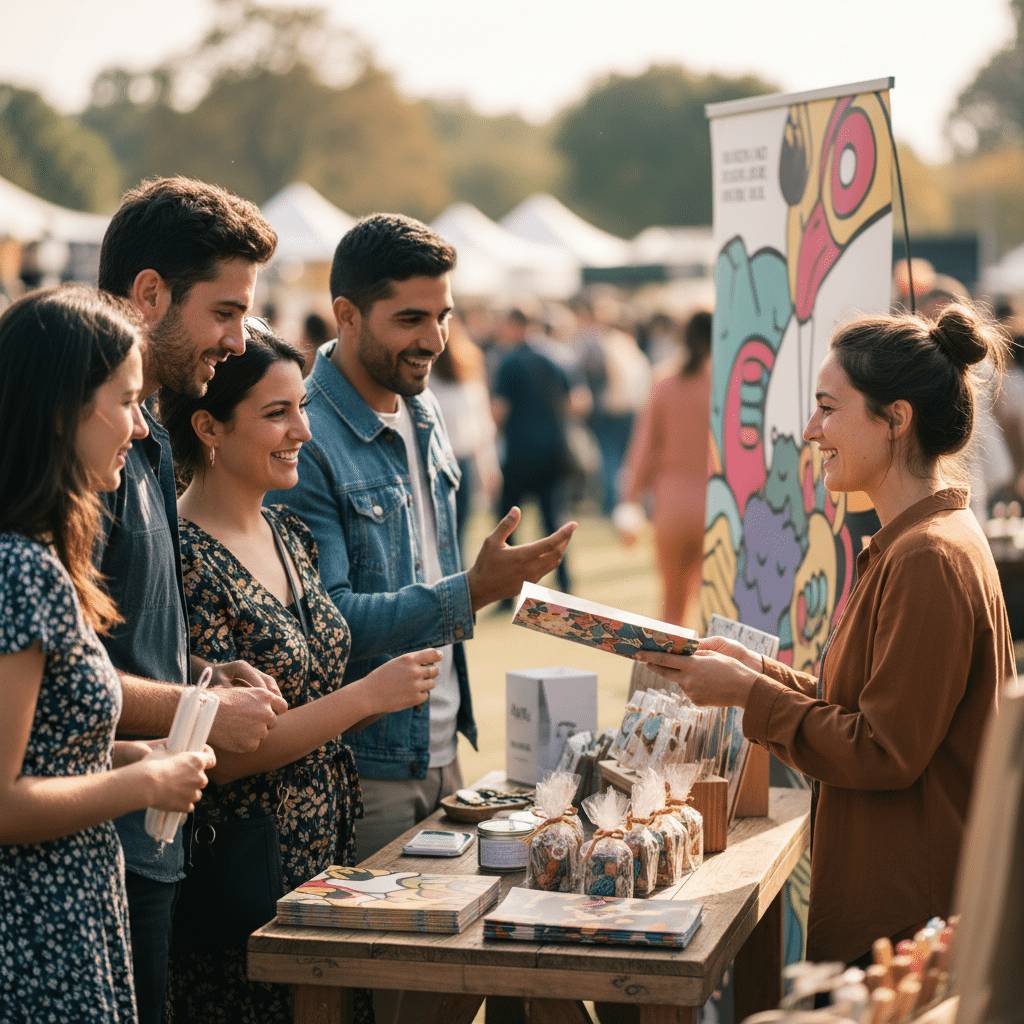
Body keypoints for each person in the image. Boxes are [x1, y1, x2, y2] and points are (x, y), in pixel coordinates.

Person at [640, 303, 1016, 966]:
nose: (811, 430)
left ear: (896, 419)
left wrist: (750, 698)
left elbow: (881, 748)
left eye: (828, 408)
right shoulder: (916, 542)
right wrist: (754, 678)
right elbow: (870, 705)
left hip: (904, 917)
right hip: (897, 896)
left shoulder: (929, 555)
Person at [264, 212, 575, 864]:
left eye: (445, 316)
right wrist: (474, 590)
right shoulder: (307, 437)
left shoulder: (423, 406)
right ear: (346, 315)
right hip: (363, 762)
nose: (435, 338)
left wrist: (479, 587)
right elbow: (327, 621)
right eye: (411, 318)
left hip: (443, 749)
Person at [159, 328, 438, 1023]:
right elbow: (224, 753)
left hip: (326, 863)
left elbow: (309, 700)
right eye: (277, 413)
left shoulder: (288, 533)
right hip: (247, 876)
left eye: (302, 409)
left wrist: (380, 695)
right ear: (209, 427)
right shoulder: (185, 558)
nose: (303, 433)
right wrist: (366, 696)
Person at [96, 176, 287, 1024]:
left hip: (153, 842)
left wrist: (206, 673)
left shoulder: (146, 441)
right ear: (148, 296)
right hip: (99, 845)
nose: (239, 341)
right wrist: (199, 709)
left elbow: (127, 632)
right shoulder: (80, 451)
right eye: (225, 312)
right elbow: (53, 677)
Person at [0, 286, 215, 1023]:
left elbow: (42, 755)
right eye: (124, 402)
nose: (138, 424)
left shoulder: (37, 557)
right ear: (63, 409)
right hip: (34, 934)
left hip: (67, 912)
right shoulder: (19, 568)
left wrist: (126, 756)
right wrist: (146, 782)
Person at [616, 309, 712, 627]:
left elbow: (643, 451)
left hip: (671, 505)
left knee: (672, 604)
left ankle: (670, 675)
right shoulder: (731, 386)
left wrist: (629, 502)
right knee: (715, 606)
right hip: (719, 506)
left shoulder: (665, 383)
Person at [491, 306, 579, 595]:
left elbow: (498, 411)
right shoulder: (556, 358)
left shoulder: (509, 362)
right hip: (553, 451)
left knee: (508, 523)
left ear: (515, 325)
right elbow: (578, 402)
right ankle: (564, 582)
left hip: (519, 453)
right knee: (553, 521)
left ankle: (508, 588)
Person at [429, 312, 501, 559]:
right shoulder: (469, 376)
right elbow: (483, 430)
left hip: (438, 463)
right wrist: (489, 469)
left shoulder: (428, 381)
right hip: (460, 460)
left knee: (443, 535)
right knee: (458, 533)